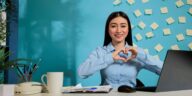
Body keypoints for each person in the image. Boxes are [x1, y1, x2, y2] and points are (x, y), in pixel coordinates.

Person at [78, 11, 163, 88]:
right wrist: (110, 57)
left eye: (123, 26)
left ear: (128, 29)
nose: (119, 30)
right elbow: (81, 73)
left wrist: (140, 55)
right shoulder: (100, 52)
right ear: (108, 29)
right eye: (113, 26)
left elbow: (164, 72)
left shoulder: (137, 53)